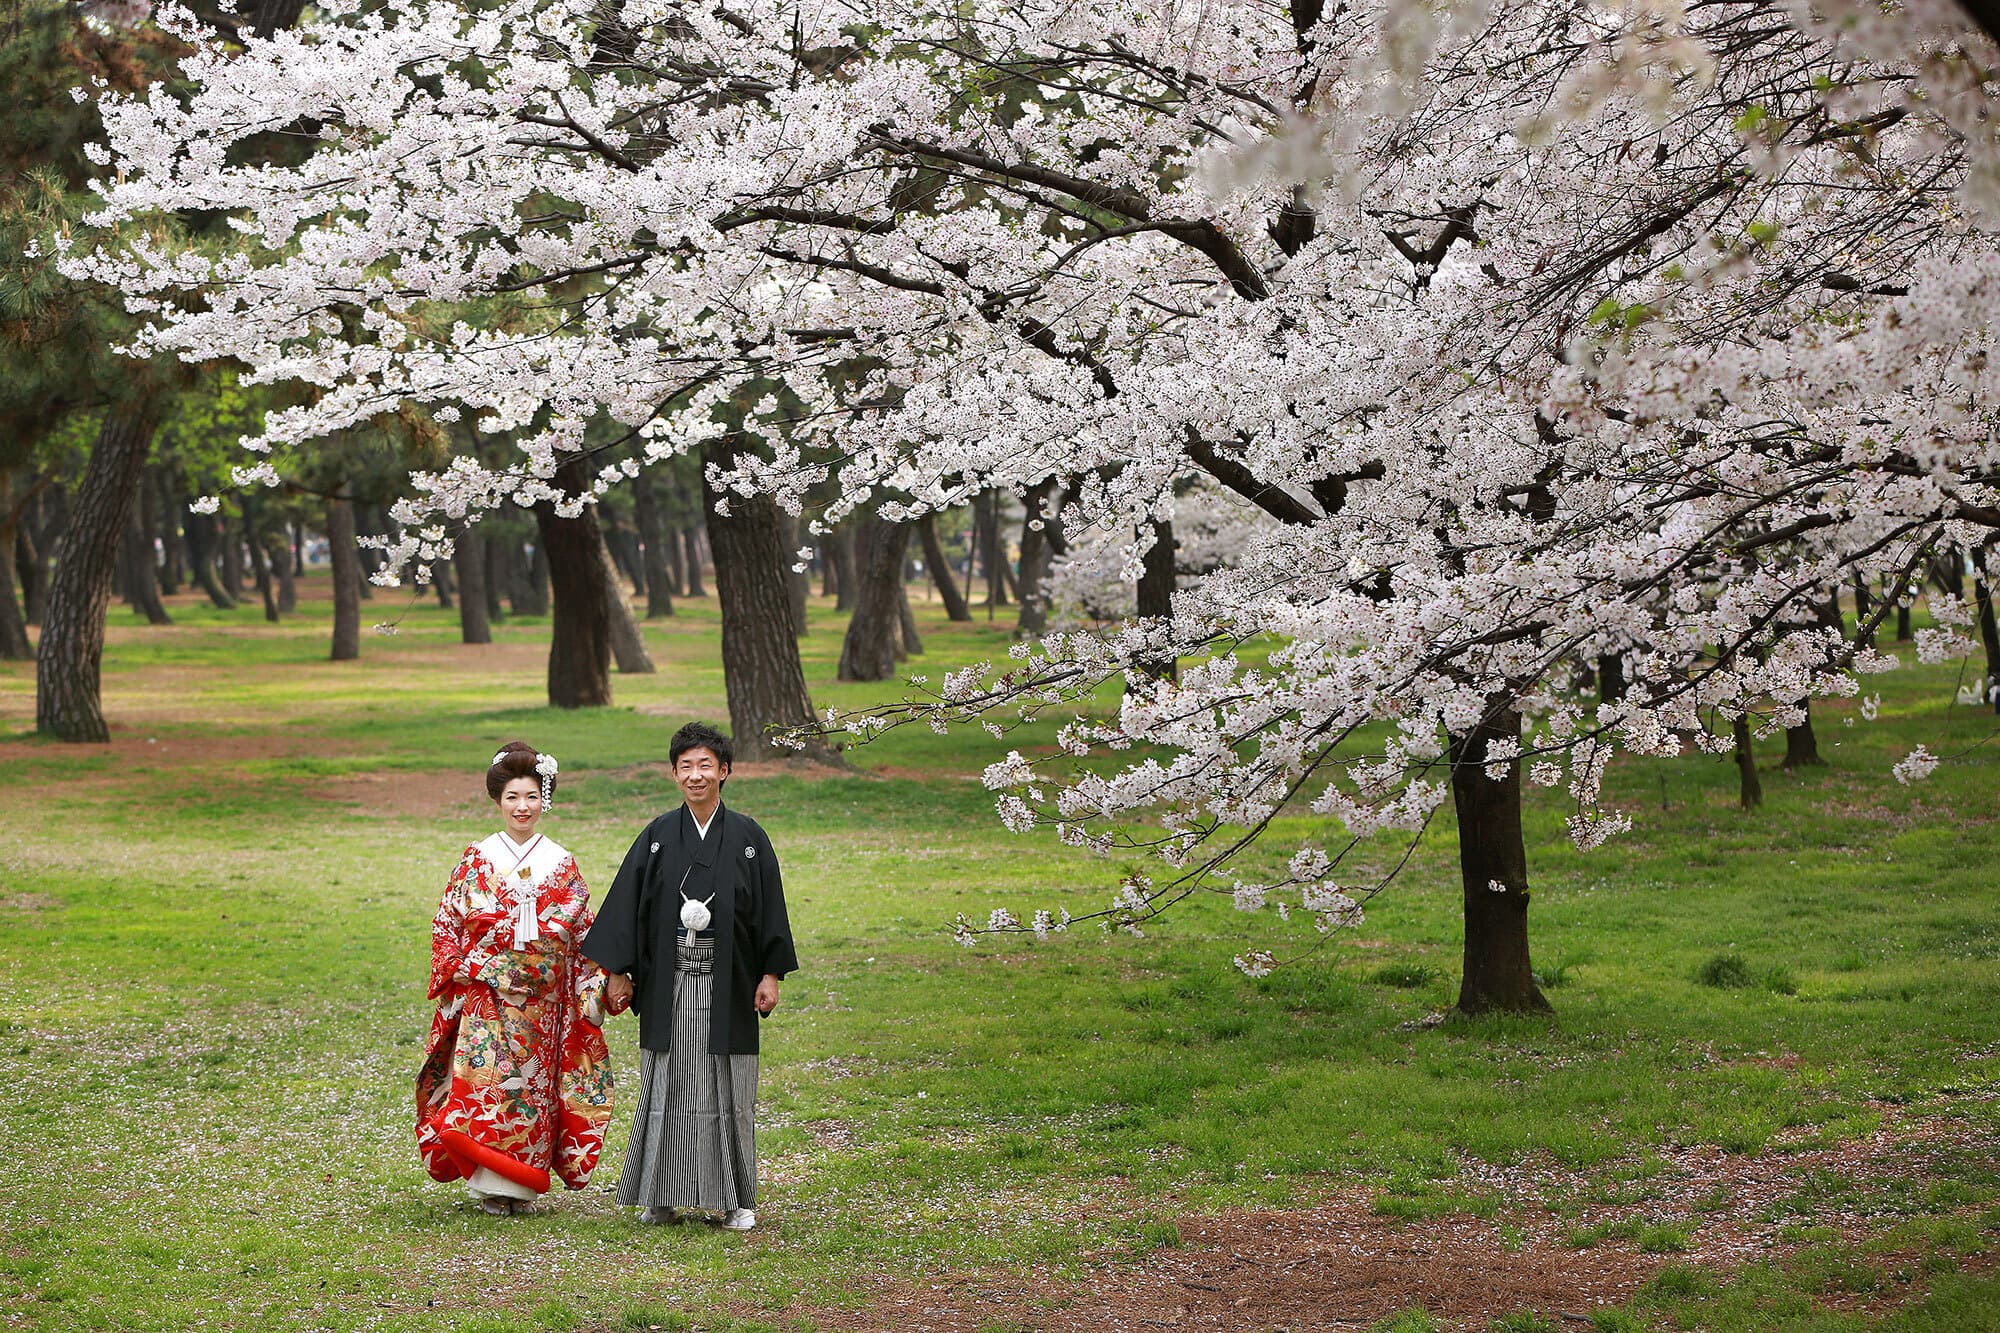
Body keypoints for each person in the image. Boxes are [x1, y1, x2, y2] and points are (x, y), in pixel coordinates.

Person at [584, 721, 798, 1231]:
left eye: (706, 765)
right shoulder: (658, 837)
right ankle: (660, 1196)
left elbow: (770, 909)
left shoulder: (749, 838)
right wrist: (618, 972)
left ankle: (734, 1200)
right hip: (669, 984)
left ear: (725, 771)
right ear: (674, 774)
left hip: (730, 983)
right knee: (668, 1087)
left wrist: (770, 974)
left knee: (728, 1090)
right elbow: (627, 909)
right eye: (686, 766)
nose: (696, 775)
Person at [416, 741, 625, 1215]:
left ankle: (523, 1184)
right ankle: (490, 1183)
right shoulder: (478, 857)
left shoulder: (561, 861)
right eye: (512, 797)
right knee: (487, 1084)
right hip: (487, 996)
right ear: (498, 801)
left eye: (531, 796)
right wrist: (467, 964)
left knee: (533, 1089)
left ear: (543, 799)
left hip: (542, 1001)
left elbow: (580, 927)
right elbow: (448, 919)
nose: (522, 807)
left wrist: (597, 976)